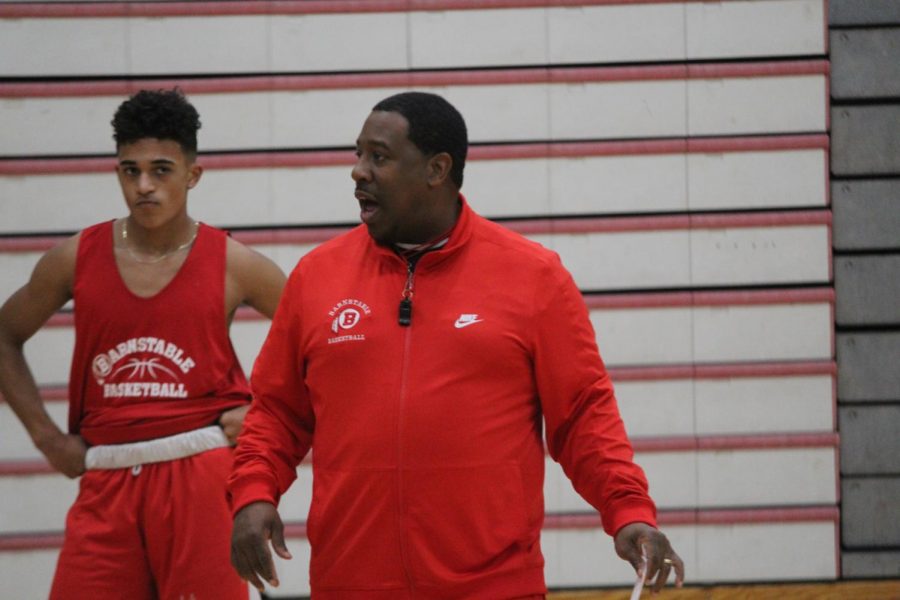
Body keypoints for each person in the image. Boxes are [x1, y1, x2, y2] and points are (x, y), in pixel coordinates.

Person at [228, 91, 685, 598]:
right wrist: (253, 493)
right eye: (357, 155)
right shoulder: (317, 277)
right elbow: (277, 412)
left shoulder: (532, 276)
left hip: (493, 586)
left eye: (378, 157)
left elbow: (582, 415)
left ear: (437, 169)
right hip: (350, 583)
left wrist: (627, 513)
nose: (358, 172)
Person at [0, 89, 286, 599]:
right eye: (130, 171)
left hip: (200, 472)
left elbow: (323, 343)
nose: (144, 185)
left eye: (160, 170)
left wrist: (265, 413)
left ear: (192, 175)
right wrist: (45, 438)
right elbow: (4, 333)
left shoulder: (234, 262)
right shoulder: (76, 257)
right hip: (105, 473)